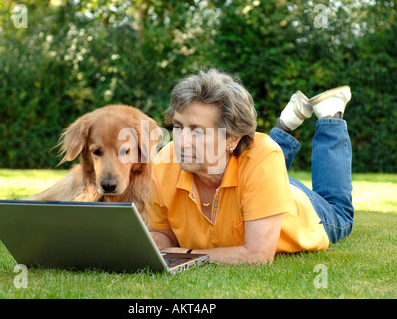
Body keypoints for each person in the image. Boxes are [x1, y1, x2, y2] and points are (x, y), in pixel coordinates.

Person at [148, 68, 354, 265]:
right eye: (177, 126)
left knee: (340, 211)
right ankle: (286, 122)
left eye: (197, 131)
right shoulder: (164, 163)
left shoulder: (263, 160)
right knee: (262, 160)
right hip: (258, 179)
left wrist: (188, 255)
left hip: (300, 204)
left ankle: (330, 117)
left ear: (233, 139)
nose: (181, 142)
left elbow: (257, 255)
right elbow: (164, 235)